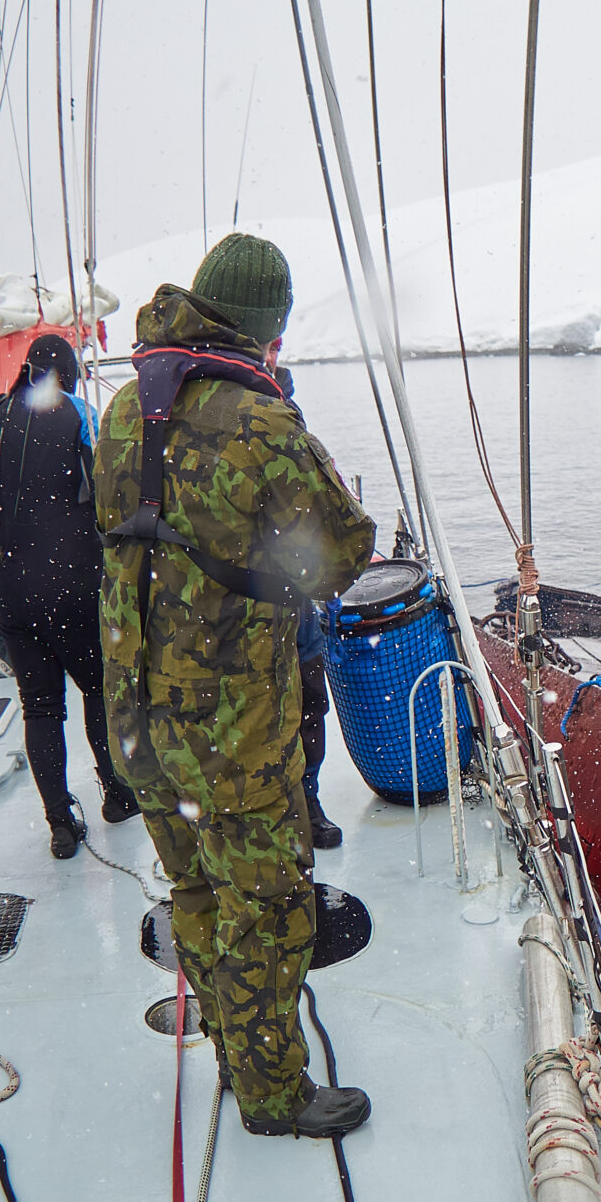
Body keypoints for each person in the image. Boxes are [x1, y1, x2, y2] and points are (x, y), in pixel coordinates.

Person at [98, 233, 377, 1138]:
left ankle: (227, 1040)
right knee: (266, 908)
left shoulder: (118, 414)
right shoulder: (261, 425)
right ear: (265, 332)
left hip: (135, 720)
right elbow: (340, 553)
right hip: (231, 730)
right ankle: (269, 1093)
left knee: (197, 894)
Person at [0, 332, 136, 859]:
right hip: (71, 586)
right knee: (96, 690)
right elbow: (109, 496)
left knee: (39, 707)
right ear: (68, 371)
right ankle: (116, 794)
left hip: (10, 593)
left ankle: (60, 823)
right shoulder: (78, 413)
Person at [260, 339, 343, 851]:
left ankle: (307, 801)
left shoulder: (299, 442)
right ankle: (282, 808)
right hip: (254, 605)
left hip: (296, 602)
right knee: (273, 710)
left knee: (310, 705)